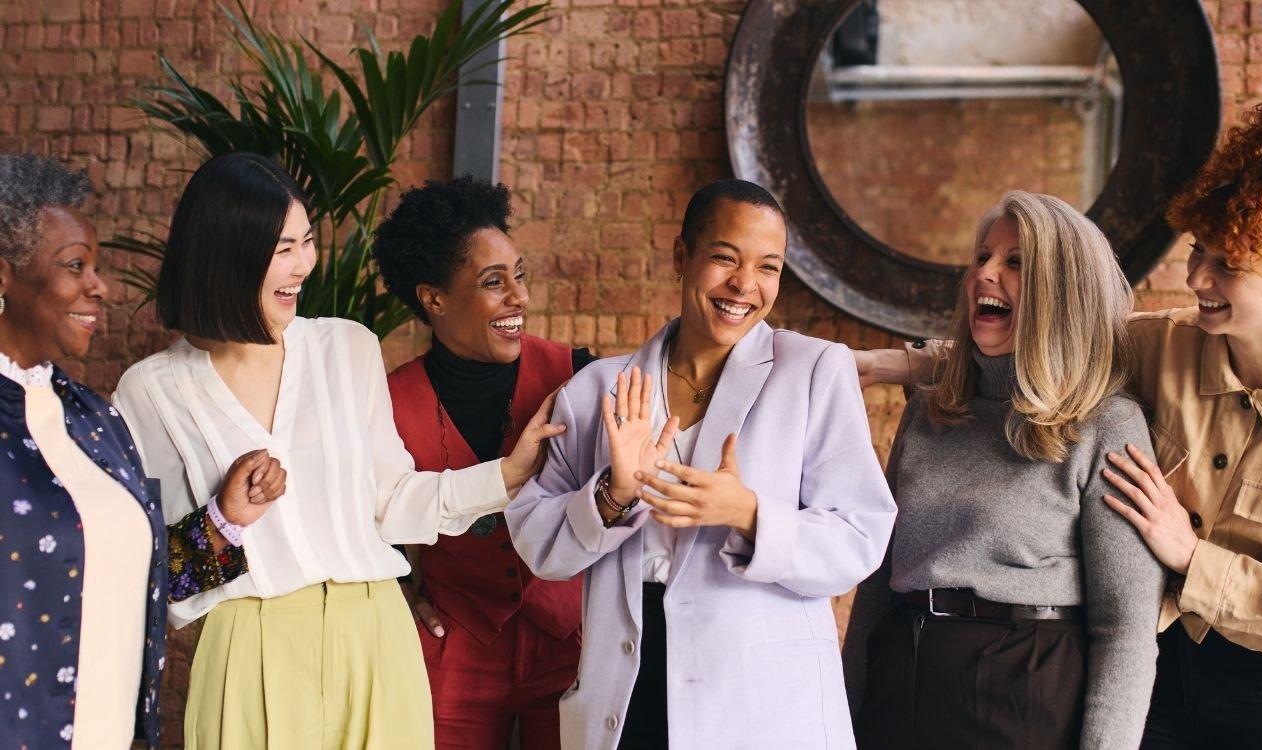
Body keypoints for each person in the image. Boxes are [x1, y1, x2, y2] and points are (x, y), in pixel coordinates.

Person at [855, 88, 1262, 749]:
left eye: (1228, 266)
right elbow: (1044, 342)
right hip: (1160, 666)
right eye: (1199, 249)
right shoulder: (1163, 343)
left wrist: (1197, 561)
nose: (1197, 277)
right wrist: (892, 366)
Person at [112, 152, 564, 749]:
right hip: (250, 648)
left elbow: (393, 500)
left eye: (305, 242)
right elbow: (153, 575)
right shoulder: (151, 391)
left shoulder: (346, 349)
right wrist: (224, 520)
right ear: (226, 253)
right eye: (282, 249)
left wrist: (506, 474)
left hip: (374, 635)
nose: (304, 264)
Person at [506, 179, 897, 750]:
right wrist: (613, 495)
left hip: (762, 702)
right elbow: (539, 545)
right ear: (681, 257)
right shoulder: (597, 391)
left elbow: (860, 536)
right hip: (627, 686)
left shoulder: (814, 371)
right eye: (724, 258)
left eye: (769, 267)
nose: (745, 285)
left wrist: (749, 513)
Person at [842, 191, 1165, 750]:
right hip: (899, 686)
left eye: (1015, 263)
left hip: (1024, 698)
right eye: (982, 257)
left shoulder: (1109, 424)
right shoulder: (931, 406)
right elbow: (875, 586)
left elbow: (1125, 631)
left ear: (1061, 291)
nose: (984, 275)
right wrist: (838, 720)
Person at [373, 176, 591, 750]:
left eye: (519, 275)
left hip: (569, 640)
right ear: (434, 298)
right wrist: (400, 593)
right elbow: (363, 522)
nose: (518, 297)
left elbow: (684, 375)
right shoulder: (388, 402)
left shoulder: (575, 373)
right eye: (494, 282)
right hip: (456, 644)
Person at [0, 154, 172, 749]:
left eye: (96, 267)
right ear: (4, 276)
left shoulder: (98, 421)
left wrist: (228, 525)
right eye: (76, 266)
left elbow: (144, 581)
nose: (99, 287)